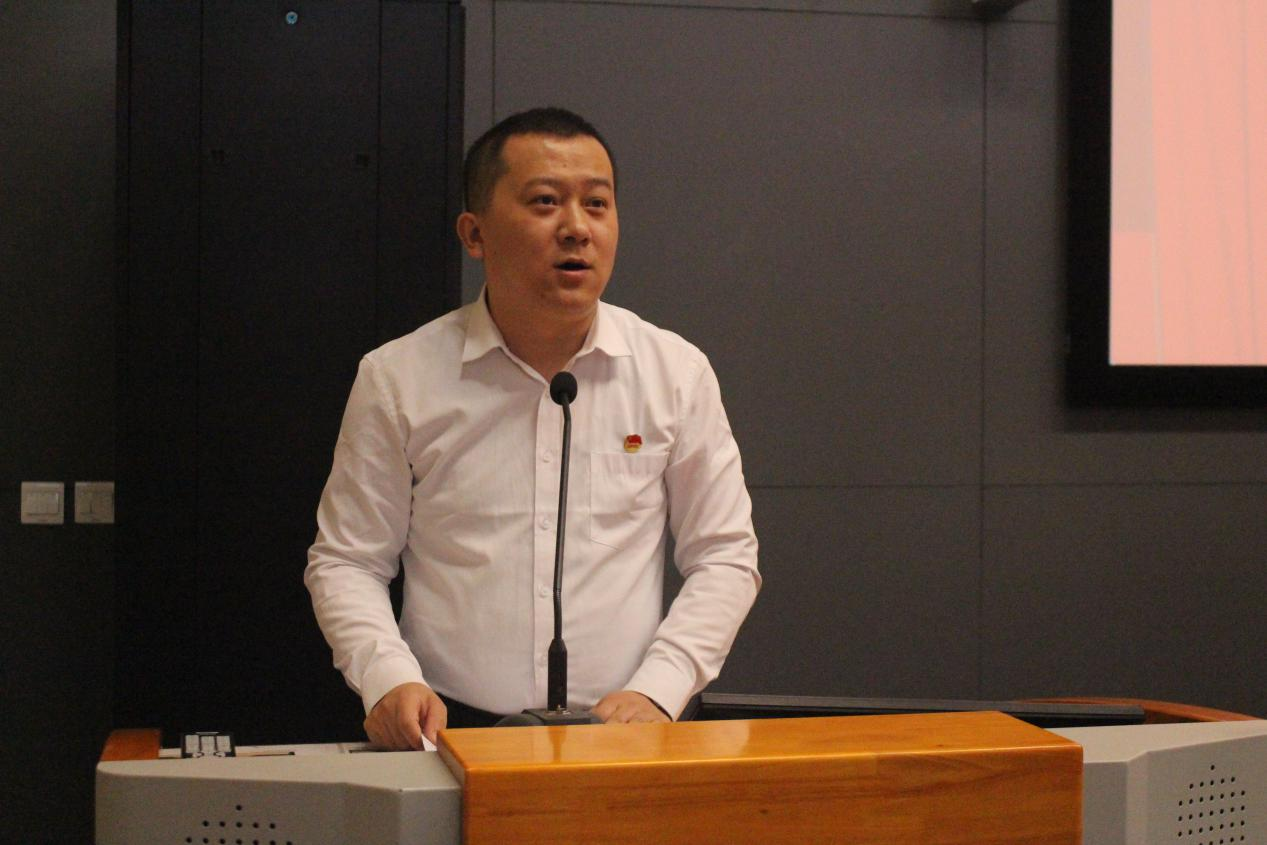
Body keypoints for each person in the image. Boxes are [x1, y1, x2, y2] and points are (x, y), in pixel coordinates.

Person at [305, 107, 760, 749]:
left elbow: (724, 555)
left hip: (631, 730)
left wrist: (662, 687)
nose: (576, 228)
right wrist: (386, 679)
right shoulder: (398, 377)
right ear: (475, 233)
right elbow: (348, 560)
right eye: (545, 201)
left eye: (597, 204)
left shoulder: (675, 373)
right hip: (451, 732)